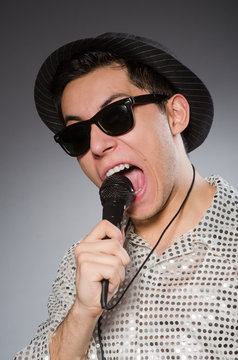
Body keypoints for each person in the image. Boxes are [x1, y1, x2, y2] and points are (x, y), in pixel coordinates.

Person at [14, 32, 237, 360]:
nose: (97, 146)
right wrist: (82, 313)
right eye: (77, 134)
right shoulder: (81, 265)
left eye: (115, 115)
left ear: (175, 115)